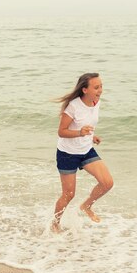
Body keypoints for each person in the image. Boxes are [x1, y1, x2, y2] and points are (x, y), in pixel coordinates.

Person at [51, 73, 114, 232]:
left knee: (107, 183)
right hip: (68, 154)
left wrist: (91, 135)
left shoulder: (95, 101)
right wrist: (80, 133)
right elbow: (62, 131)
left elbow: (87, 123)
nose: (100, 90)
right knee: (68, 194)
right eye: (96, 87)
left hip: (86, 149)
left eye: (101, 86)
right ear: (84, 89)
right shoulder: (72, 107)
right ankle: (55, 223)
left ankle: (86, 206)